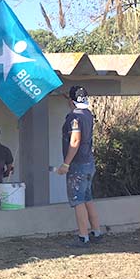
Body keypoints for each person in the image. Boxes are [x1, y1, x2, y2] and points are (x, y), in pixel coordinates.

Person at [56, 86, 102, 246]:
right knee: (88, 197)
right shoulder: (87, 114)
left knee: (78, 200)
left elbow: (74, 140)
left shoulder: (73, 117)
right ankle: (96, 231)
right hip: (89, 163)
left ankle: (83, 236)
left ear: (71, 101)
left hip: (77, 165)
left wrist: (66, 164)